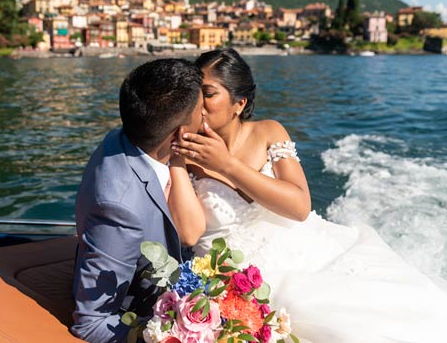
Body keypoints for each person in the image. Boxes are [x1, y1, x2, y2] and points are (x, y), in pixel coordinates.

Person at [168, 48, 447, 343]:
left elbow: (300, 207)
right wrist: (176, 159)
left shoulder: (268, 132)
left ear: (239, 103)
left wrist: (227, 165)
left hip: (300, 251)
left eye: (208, 94)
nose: (197, 103)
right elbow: (188, 234)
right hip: (230, 278)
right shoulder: (180, 152)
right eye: (194, 93)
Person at [72, 58, 206, 343]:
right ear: (181, 133)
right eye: (200, 110)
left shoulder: (127, 135)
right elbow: (91, 323)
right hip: (145, 309)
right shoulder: (119, 208)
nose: (204, 116)